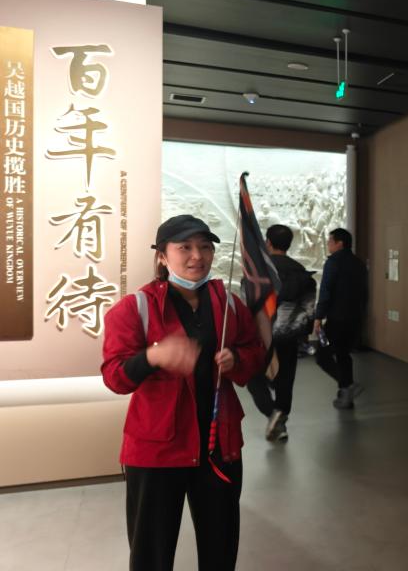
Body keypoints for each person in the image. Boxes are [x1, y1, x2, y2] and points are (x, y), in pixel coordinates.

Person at [101, 215, 265, 570]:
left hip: (218, 443)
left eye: (205, 247)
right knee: (152, 552)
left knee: (220, 545)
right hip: (158, 449)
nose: (197, 256)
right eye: (185, 247)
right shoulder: (135, 308)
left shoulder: (228, 304)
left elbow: (254, 353)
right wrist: (152, 357)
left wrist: (236, 359)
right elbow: (114, 377)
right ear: (162, 256)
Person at [247, 224, 316, 441]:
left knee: (254, 377)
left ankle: (272, 414)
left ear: (268, 242)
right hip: (289, 335)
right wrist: (301, 333)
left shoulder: (259, 271)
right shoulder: (301, 272)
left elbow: (249, 305)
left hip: (262, 337)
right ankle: (281, 423)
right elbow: (309, 309)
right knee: (285, 380)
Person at [313, 227, 369, 409]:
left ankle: (348, 385)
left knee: (322, 356)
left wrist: (318, 317)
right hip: (355, 318)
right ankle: (346, 398)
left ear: (340, 243)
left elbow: (326, 291)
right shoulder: (359, 263)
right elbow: (364, 293)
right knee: (344, 355)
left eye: (330, 241)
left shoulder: (333, 262)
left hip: (337, 318)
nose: (328, 244)